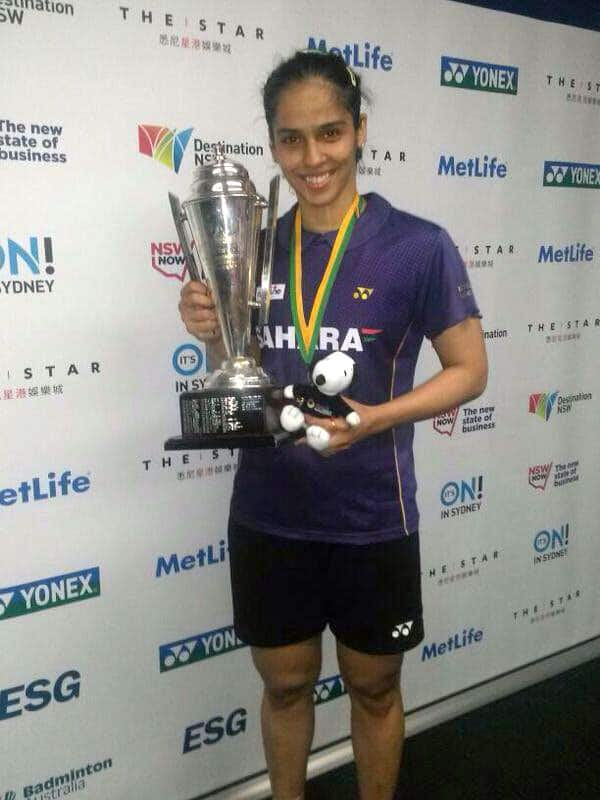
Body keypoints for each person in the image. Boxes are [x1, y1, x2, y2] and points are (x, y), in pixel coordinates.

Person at [179, 50, 487, 800]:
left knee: (374, 691)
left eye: (330, 133)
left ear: (359, 132)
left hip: (371, 518)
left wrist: (379, 417)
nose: (312, 158)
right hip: (270, 515)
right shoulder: (248, 248)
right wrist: (209, 331)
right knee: (285, 690)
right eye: (292, 139)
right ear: (274, 145)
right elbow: (239, 363)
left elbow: (469, 370)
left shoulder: (418, 245)